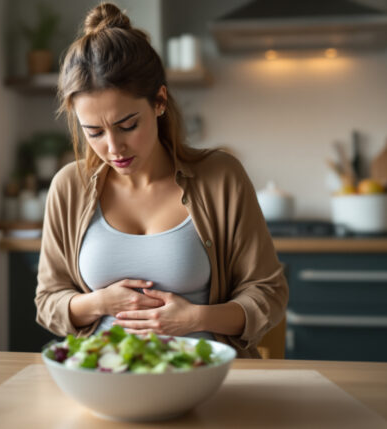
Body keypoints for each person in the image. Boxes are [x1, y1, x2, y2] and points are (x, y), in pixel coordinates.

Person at [34, 3, 288, 358]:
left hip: (206, 377)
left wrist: (195, 318)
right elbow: (48, 301)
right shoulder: (68, 187)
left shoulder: (221, 177)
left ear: (160, 101)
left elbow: (269, 294)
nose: (113, 147)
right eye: (93, 132)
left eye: (128, 126)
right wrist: (98, 303)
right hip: (103, 376)